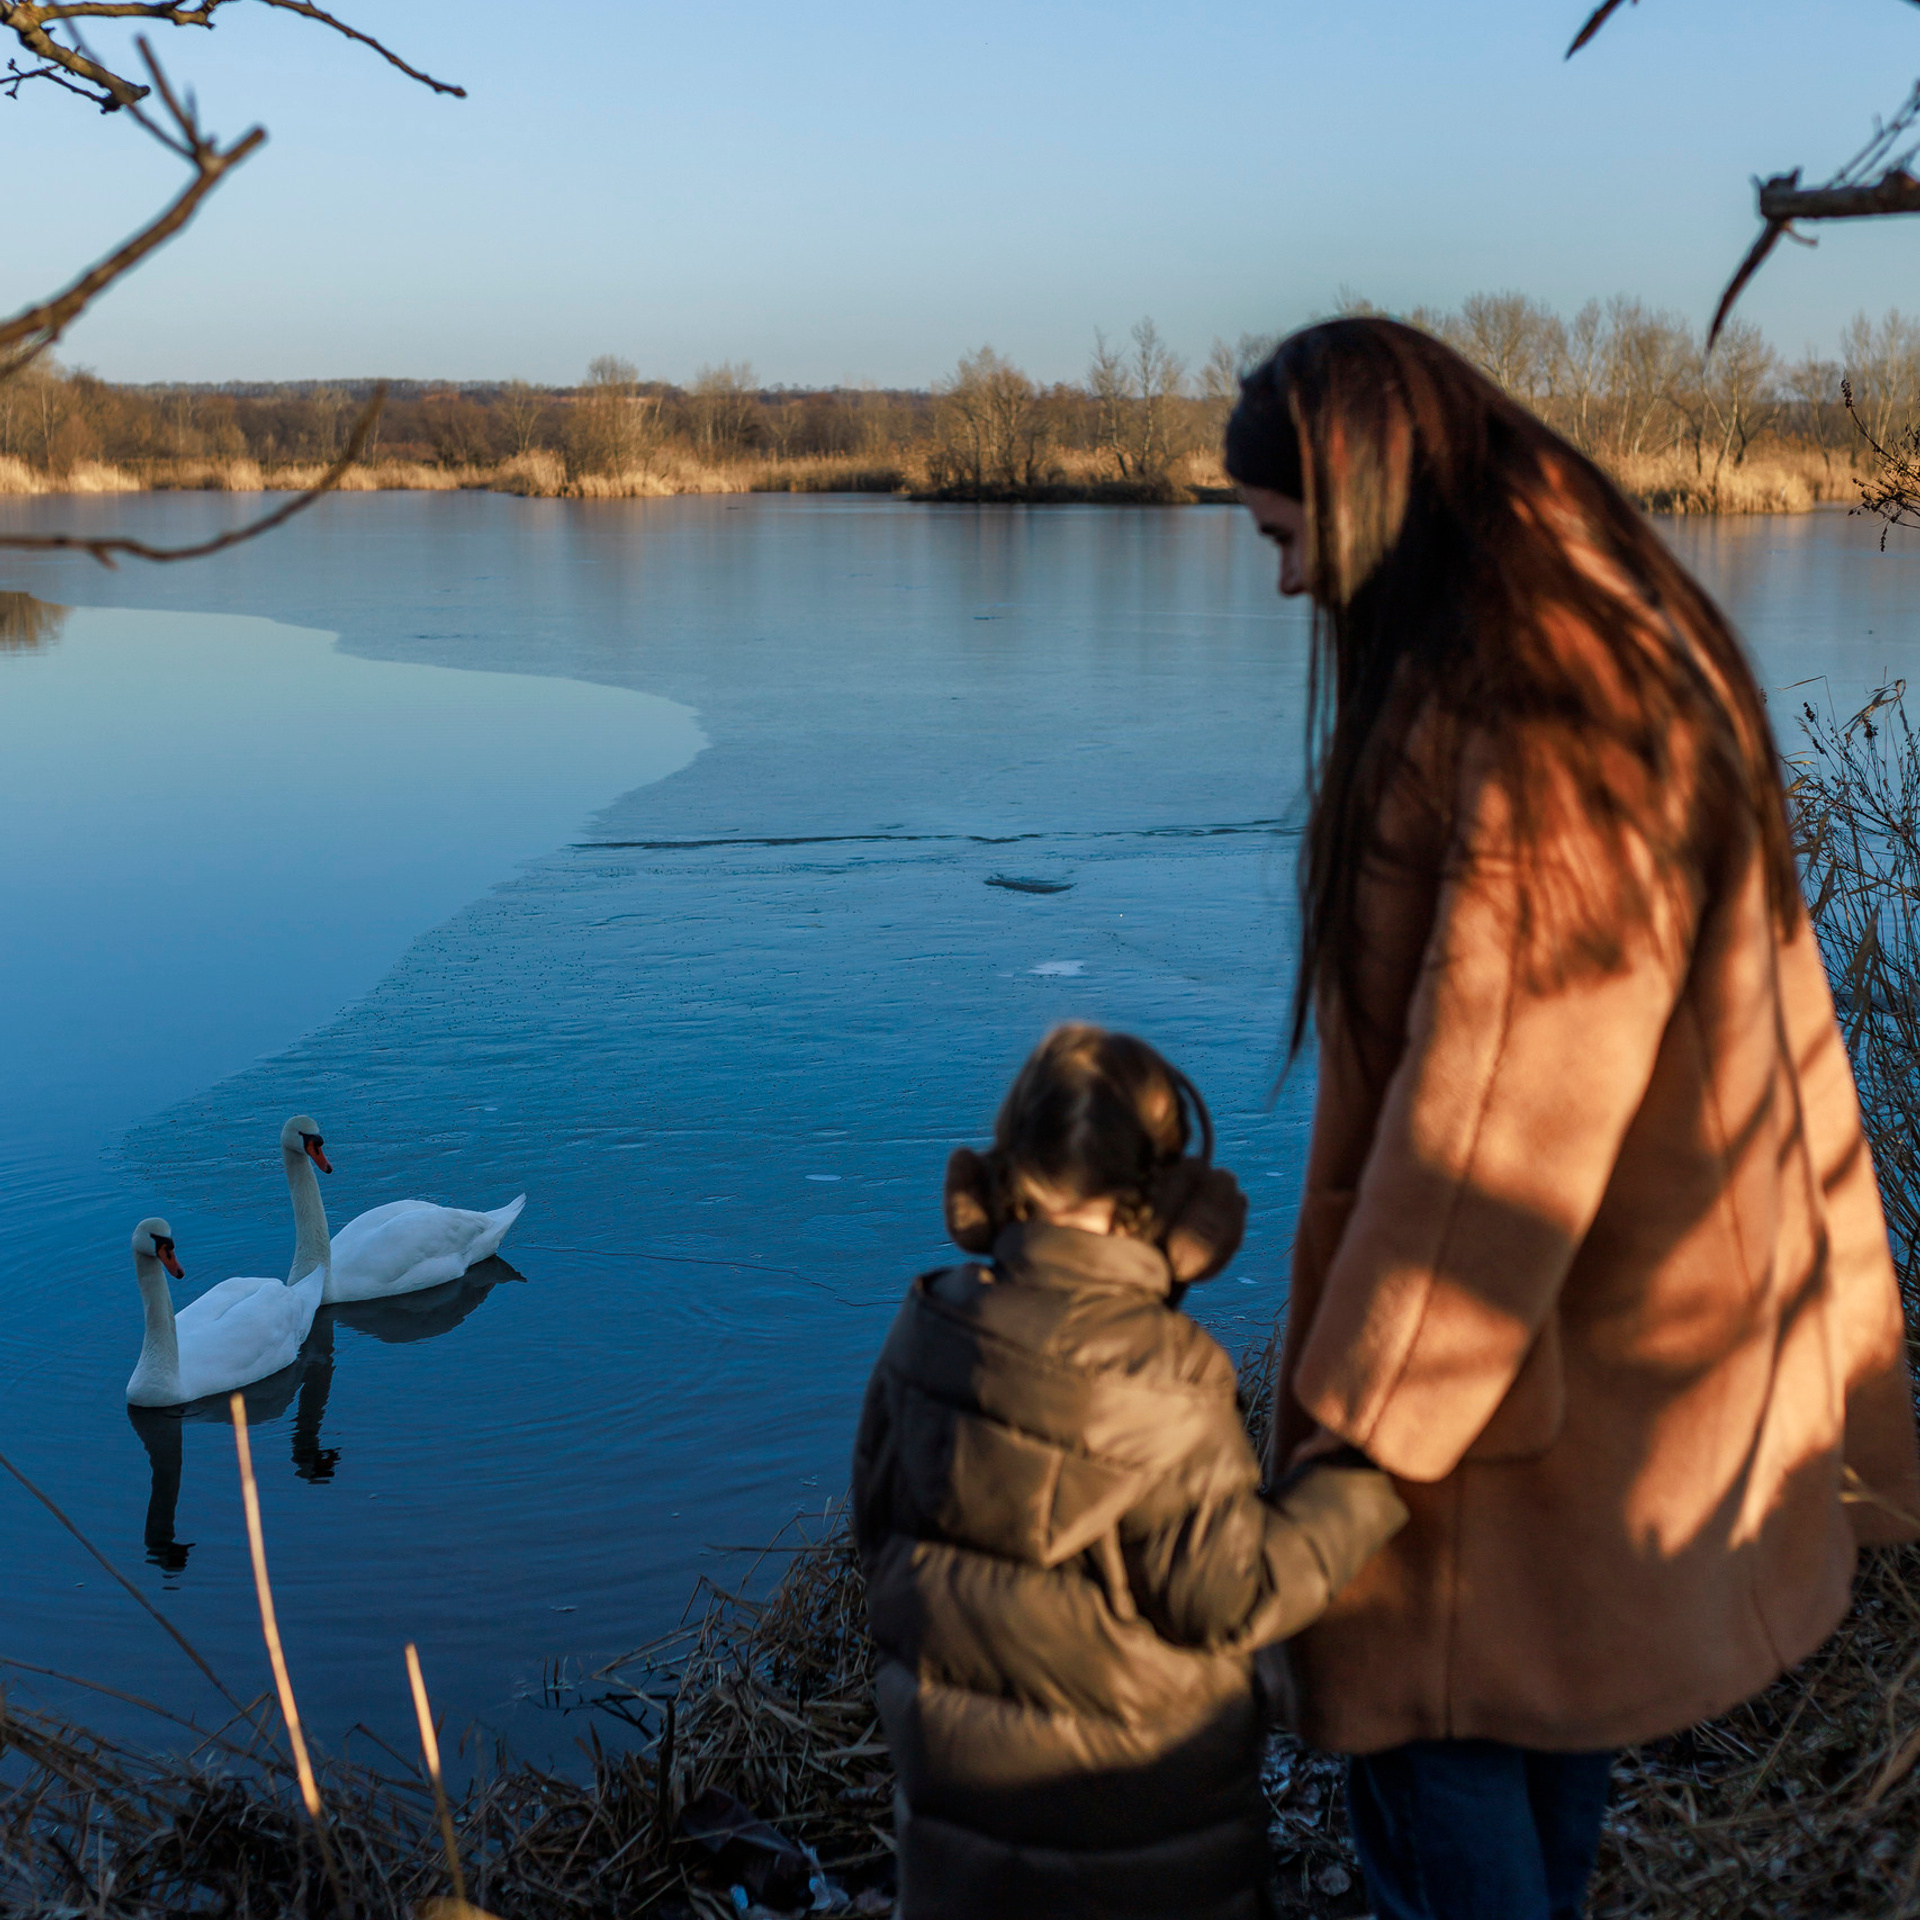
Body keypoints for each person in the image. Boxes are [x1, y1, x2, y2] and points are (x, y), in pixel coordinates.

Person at [1225, 317, 1920, 1920]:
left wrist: (1362, 1454)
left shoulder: (1534, 711)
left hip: (1488, 1400)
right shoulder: (1604, 632)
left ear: (1368, 490)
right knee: (1540, 1745)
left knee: (1448, 1778)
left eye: (1283, 535)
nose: (1280, 584)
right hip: (1589, 1375)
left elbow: (1498, 1132)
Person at [851, 1023, 1408, 1919]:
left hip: (955, 1831)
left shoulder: (925, 1328)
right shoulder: (1164, 1370)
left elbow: (875, 1532)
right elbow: (1226, 1594)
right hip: (1143, 1840)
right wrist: (1360, 1485)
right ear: (1162, 1201)